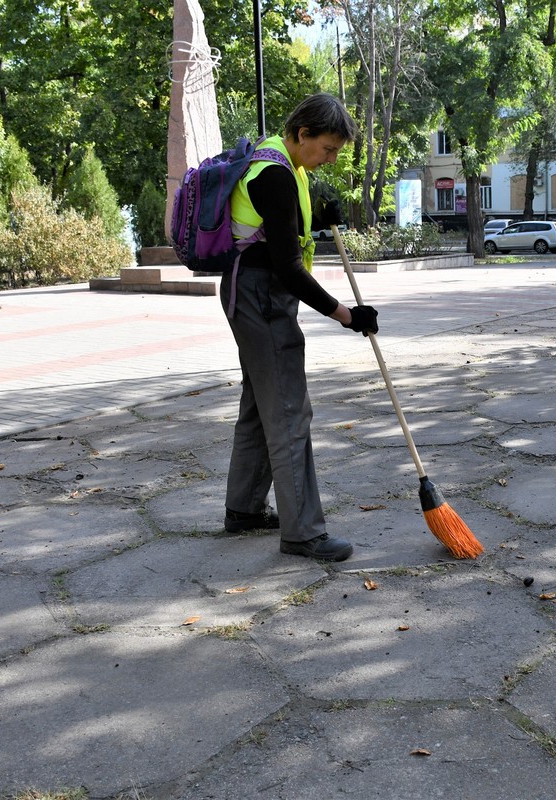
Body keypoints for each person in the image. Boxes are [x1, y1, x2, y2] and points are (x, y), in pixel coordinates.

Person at [220, 93, 376, 562]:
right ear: (302, 134)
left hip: (253, 292)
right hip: (262, 296)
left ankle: (244, 510)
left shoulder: (280, 160)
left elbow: (283, 231)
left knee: (260, 404)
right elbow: (289, 268)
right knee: (289, 411)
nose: (329, 159)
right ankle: (303, 532)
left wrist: (318, 218)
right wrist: (346, 315)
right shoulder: (275, 176)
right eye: (327, 149)